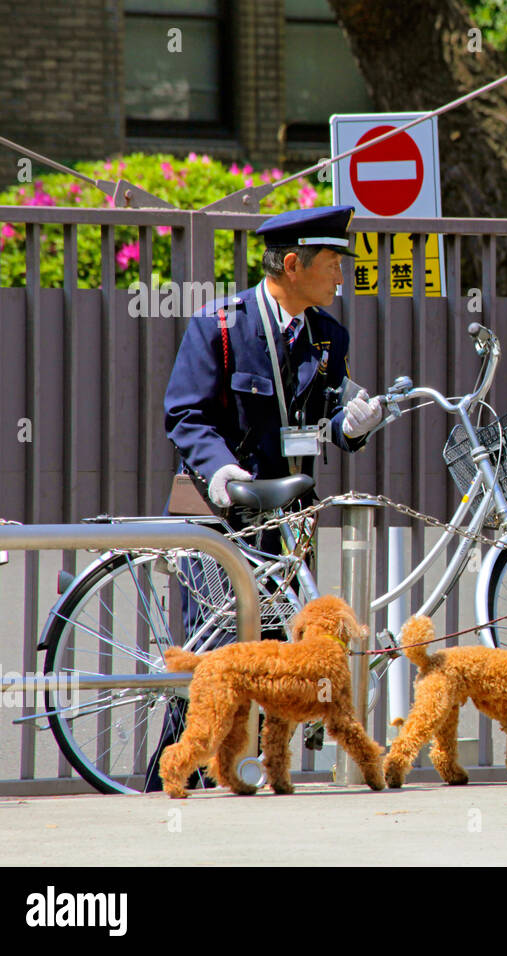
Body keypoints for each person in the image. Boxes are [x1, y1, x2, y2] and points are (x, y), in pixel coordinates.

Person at [149, 205, 383, 791]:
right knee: (221, 649)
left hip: (288, 517)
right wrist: (220, 468)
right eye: (333, 263)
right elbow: (185, 415)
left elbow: (325, 419)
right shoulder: (220, 326)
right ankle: (172, 777)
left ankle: (255, 776)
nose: (340, 276)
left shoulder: (329, 334)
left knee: (279, 657)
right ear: (292, 264)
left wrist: (352, 425)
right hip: (221, 510)